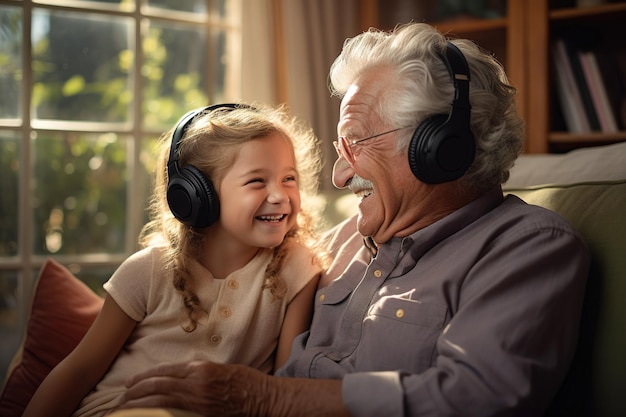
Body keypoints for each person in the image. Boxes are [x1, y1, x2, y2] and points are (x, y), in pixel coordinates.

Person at [115, 22, 590, 417]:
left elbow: (475, 398)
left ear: (441, 149)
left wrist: (263, 398)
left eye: (356, 142)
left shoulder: (529, 248)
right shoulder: (336, 243)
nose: (340, 176)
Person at [23, 102, 327, 417]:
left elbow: (285, 383)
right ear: (197, 195)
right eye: (257, 181)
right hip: (125, 408)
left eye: (289, 179)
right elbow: (80, 370)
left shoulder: (296, 269)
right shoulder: (150, 270)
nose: (279, 195)